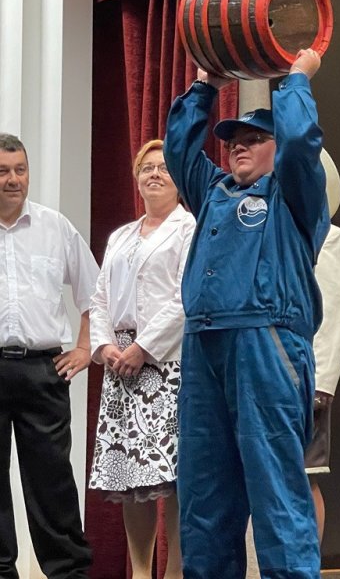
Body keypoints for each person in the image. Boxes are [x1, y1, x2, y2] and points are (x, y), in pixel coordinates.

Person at [163, 48, 328, 578]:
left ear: (277, 149)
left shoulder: (293, 194)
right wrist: (204, 87)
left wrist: (296, 80)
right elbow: (179, 150)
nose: (238, 144)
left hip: (267, 341)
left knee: (276, 489)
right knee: (204, 494)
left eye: (254, 138)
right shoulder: (213, 192)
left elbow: (301, 144)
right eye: (233, 139)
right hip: (204, 343)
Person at [88, 139, 195, 579]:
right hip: (121, 366)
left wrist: (144, 347)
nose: (154, 174)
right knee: (131, 478)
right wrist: (105, 345)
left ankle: (176, 571)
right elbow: (99, 297)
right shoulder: (121, 236)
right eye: (146, 168)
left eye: (163, 168)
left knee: (173, 476)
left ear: (179, 179)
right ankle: (139, 570)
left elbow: (186, 297)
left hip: (167, 364)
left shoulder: (189, 229)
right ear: (136, 177)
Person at [0, 133, 97, 578]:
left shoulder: (55, 227)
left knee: (52, 482)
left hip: (43, 369)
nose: (13, 179)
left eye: (20, 170)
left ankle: (68, 572)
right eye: (3, 171)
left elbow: (95, 293)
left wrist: (85, 347)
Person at [306, 157, 340, 541]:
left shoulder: (330, 237)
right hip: (260, 371)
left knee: (303, 474)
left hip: (304, 374)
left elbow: (336, 311)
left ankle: (305, 564)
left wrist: (321, 382)